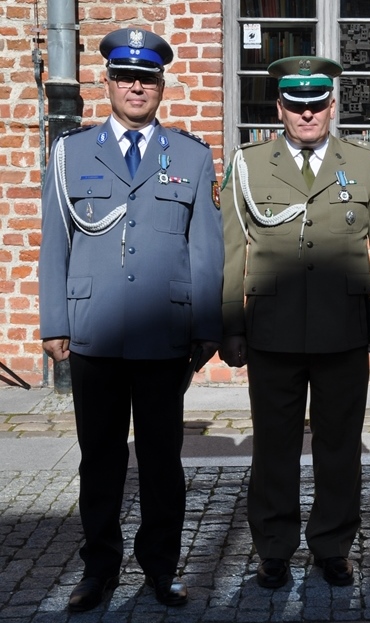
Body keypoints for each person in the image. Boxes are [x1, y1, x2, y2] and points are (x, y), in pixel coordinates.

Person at [38, 27, 224, 611]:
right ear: (109, 82)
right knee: (100, 462)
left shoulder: (190, 156)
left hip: (165, 335)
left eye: (147, 77)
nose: (136, 87)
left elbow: (206, 248)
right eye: (125, 76)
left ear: (162, 85)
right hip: (93, 329)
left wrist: (205, 325)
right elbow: (54, 242)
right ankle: (98, 570)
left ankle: (161, 569)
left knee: (163, 464)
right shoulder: (71, 152)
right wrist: (53, 321)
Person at [219, 55, 370, 588]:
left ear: (331, 105)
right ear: (279, 106)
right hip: (272, 331)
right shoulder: (250, 164)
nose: (306, 115)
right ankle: (274, 548)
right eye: (295, 105)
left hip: (344, 328)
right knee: (273, 445)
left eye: (316, 104)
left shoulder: (365, 165)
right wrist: (231, 324)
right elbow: (234, 250)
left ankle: (332, 546)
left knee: (339, 447)